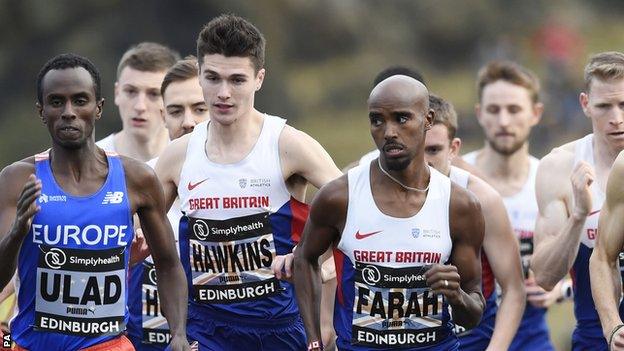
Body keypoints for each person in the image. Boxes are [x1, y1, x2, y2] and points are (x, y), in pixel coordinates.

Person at [155, 14, 341, 350]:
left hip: (277, 327)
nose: (223, 93)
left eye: (237, 80)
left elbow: (354, 209)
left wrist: (309, 252)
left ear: (259, 78)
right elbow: (135, 234)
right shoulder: (178, 155)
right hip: (204, 329)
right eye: (212, 78)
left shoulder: (288, 145)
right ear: (199, 75)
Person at [0, 54, 189, 350]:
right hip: (31, 344)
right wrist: (15, 235)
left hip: (107, 345)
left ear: (98, 108)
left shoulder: (136, 179)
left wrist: (178, 333)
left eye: (80, 100)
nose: (68, 112)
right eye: (56, 102)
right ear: (41, 111)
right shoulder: (17, 180)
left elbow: (167, 264)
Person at [294, 75, 486, 351]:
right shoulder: (340, 197)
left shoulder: (460, 205)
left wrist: (456, 296)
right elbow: (304, 258)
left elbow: (473, 314)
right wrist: (313, 341)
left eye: (401, 118)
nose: (389, 131)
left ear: (428, 119)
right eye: (377, 120)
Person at [463, 60, 562, 350]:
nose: (504, 121)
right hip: (466, 334)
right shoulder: (455, 178)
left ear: (535, 113)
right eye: (494, 110)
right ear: (480, 114)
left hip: (531, 335)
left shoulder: (550, 179)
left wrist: (559, 289)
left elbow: (584, 264)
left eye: (514, 109)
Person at [532, 51, 624, 350]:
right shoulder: (559, 166)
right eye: (604, 106)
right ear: (585, 104)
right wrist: (579, 216)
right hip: (596, 337)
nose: (616, 119)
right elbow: (545, 277)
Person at [128, 57, 210, 351]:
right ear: (163, 115)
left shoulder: (250, 181)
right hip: (143, 340)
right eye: (176, 111)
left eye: (200, 109)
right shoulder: (137, 182)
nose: (188, 121)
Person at [96, 42, 179, 161]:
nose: (140, 106)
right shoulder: (91, 162)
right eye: (131, 91)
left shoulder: (189, 159)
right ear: (117, 93)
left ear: (172, 99)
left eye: (154, 94)